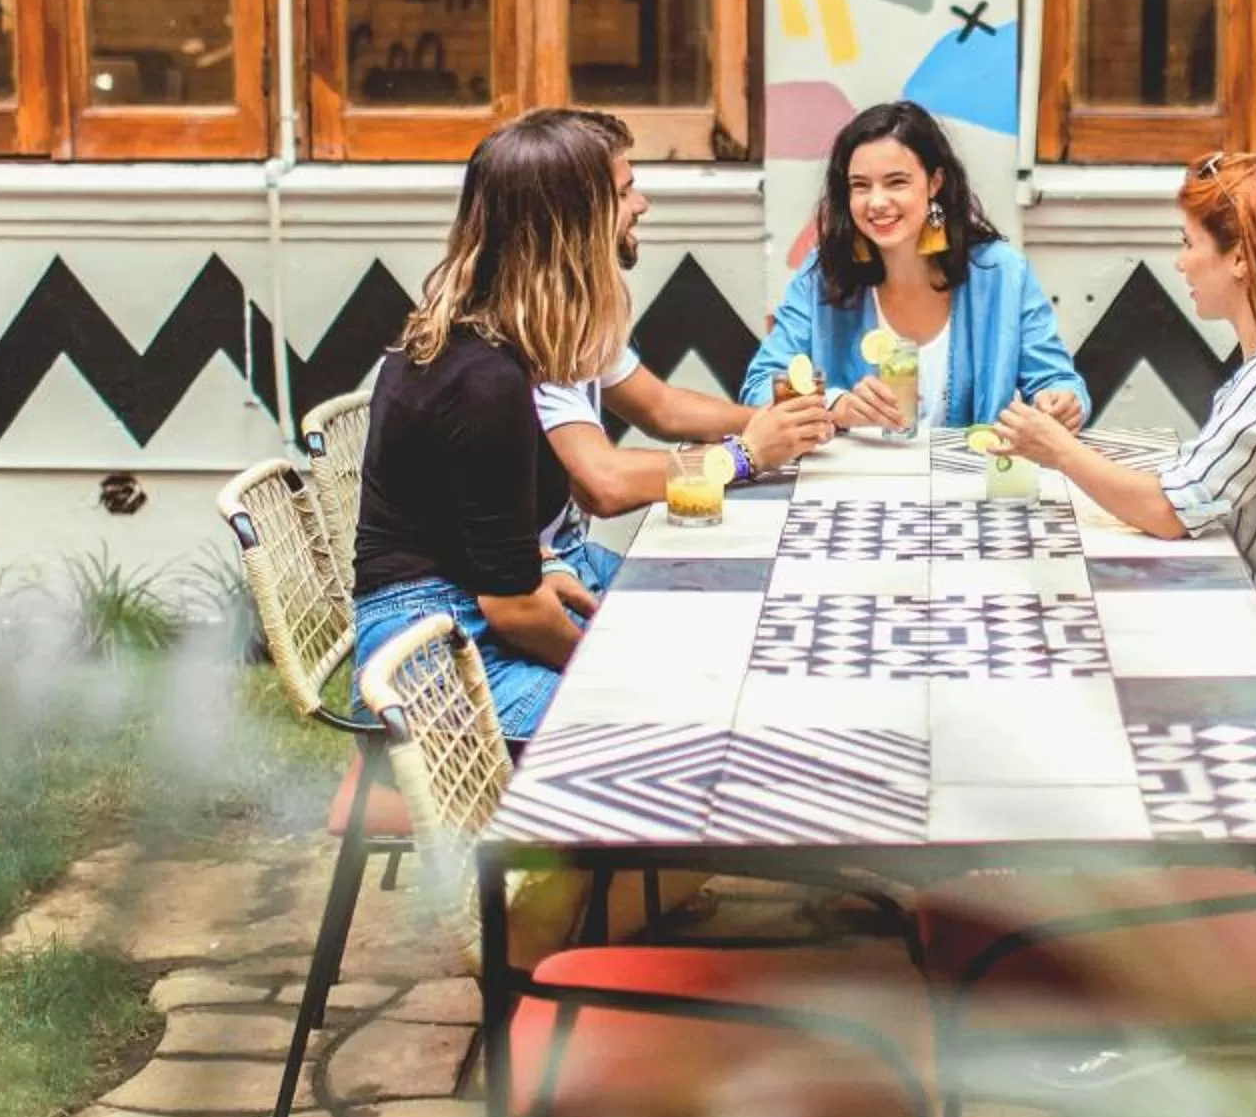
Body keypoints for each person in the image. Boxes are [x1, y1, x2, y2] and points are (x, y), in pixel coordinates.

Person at [991, 150, 1256, 674]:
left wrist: (1060, 451)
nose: (1181, 261)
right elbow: (1197, 488)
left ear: (1241, 258)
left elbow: (1168, 512)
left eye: (1189, 243)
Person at [350, 113, 633, 741]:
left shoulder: (488, 339)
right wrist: (610, 674)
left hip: (454, 614)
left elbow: (482, 535)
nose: (638, 206)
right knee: (648, 718)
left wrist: (544, 562)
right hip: (427, 654)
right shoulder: (486, 378)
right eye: (620, 195)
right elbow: (513, 609)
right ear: (573, 229)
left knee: (676, 627)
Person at [531, 109, 833, 571]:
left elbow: (660, 408)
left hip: (562, 562)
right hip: (495, 596)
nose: (642, 204)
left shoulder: (570, 309)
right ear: (579, 215)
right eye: (625, 191)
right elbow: (602, 484)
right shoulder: (530, 329)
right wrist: (743, 455)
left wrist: (778, 425)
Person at [742, 100, 1089, 433]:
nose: (876, 202)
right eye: (860, 186)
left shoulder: (1001, 274)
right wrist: (836, 407)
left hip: (972, 484)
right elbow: (760, 387)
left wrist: (1061, 402)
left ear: (935, 182)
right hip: (853, 484)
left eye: (896, 182)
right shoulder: (822, 274)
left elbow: (1056, 381)